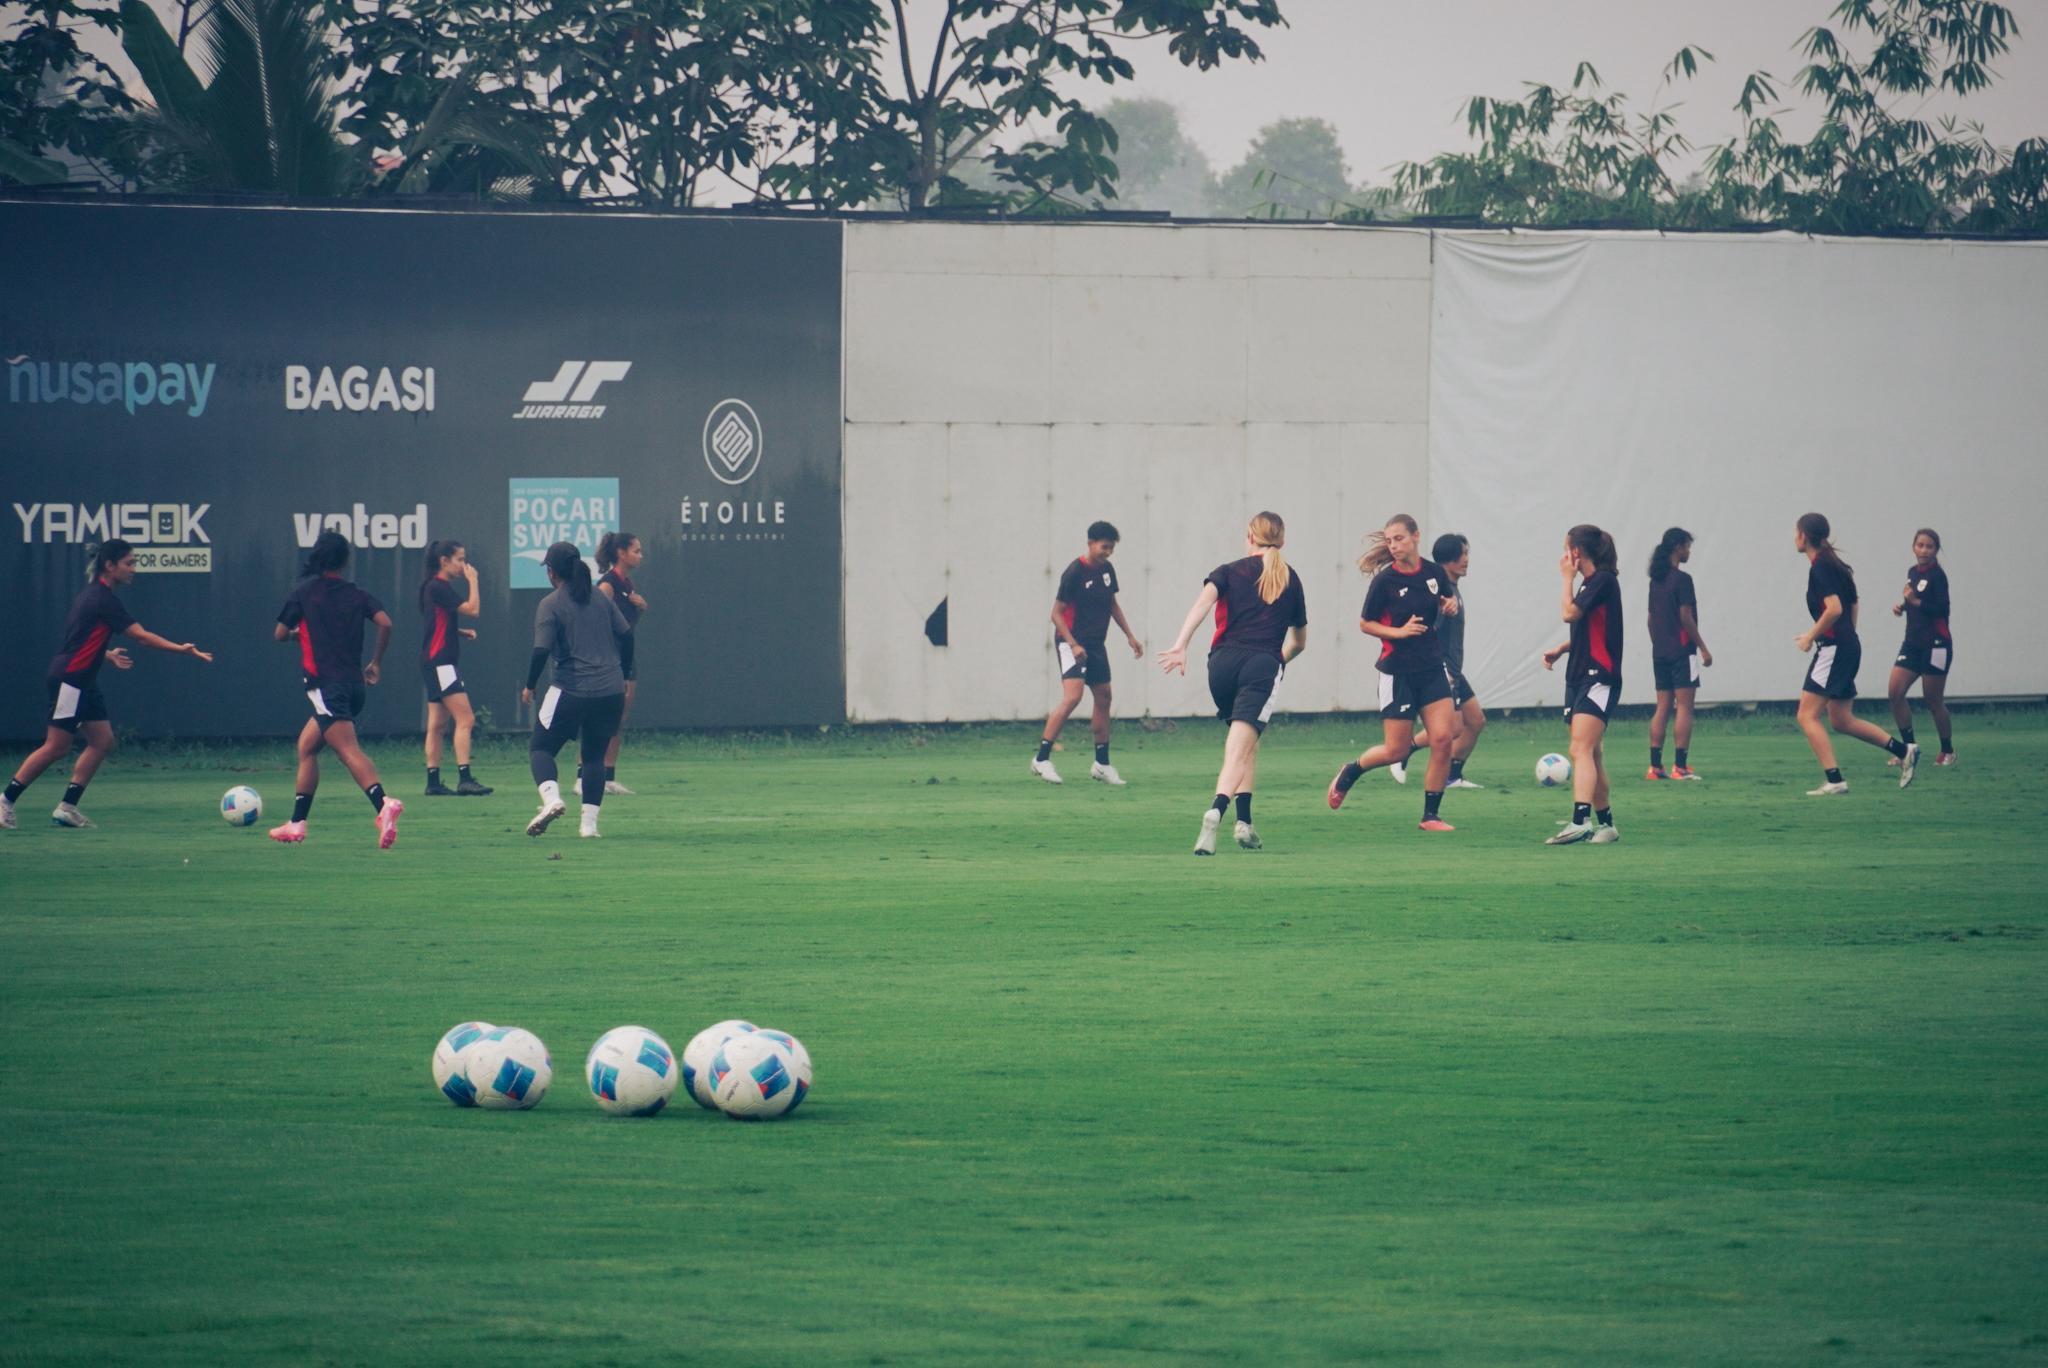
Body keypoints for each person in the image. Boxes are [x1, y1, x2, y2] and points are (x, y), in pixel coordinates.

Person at [2, 539, 213, 831]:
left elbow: (84, 638)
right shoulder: (102, 599)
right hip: (71, 679)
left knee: (102, 741)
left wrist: (106, 653)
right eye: (129, 563)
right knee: (57, 746)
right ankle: (5, 801)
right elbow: (141, 637)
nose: (133, 569)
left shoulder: (94, 596)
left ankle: (67, 808)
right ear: (109, 565)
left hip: (84, 680)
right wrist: (181, 649)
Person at [1158, 511, 1307, 855]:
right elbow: (1299, 642)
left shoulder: (1228, 570)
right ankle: (1216, 812)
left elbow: (1202, 604)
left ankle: (1245, 824)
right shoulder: (1291, 578)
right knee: (1238, 749)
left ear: (1250, 537)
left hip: (1221, 665)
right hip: (1260, 665)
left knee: (1246, 743)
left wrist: (1181, 645)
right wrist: (1276, 662)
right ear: (1281, 541)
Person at [1326, 514, 1462, 832]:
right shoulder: (1385, 581)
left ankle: (1430, 816)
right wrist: (1399, 632)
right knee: (1396, 750)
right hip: (1397, 672)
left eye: (1399, 538)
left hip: (1431, 666)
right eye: (1389, 540)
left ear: (1416, 536)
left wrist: (1450, 604)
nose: (1393, 545)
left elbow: (1446, 597)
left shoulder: (1433, 572)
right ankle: (1351, 771)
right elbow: (1365, 623)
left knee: (1444, 737)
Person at [269, 530, 401, 847]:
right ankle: (297, 823)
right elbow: (385, 622)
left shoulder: (304, 593)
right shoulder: (355, 594)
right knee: (307, 747)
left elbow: (279, 633)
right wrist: (376, 662)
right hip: (354, 685)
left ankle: (384, 804)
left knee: (347, 750)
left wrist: (297, 634)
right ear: (344, 561)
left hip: (326, 686)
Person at [1793, 512, 1918, 794]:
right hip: (1845, 646)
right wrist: (1847, 637)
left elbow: (1835, 608)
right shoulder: (1834, 564)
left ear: (1803, 535)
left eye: (1796, 532)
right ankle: (1903, 751)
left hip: (1836, 648)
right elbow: (1853, 604)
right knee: (1841, 719)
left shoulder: (1821, 567)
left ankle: (1835, 780)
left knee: (1806, 715)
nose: (1794, 538)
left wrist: (1812, 637)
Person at [523, 542, 633, 839]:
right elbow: (626, 634)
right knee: (595, 757)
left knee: (541, 748)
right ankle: (589, 827)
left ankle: (551, 800)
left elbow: (540, 650)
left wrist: (530, 684)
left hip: (570, 688)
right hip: (610, 690)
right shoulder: (600, 597)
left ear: (551, 572)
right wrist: (623, 673)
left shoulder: (551, 603)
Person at [1032, 520, 1143, 786]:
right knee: (1073, 697)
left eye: (1111, 548)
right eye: (1104, 547)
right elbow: (1055, 615)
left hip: (1095, 644)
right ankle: (1041, 759)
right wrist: (1073, 644)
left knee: (1104, 697)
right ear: (1091, 543)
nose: (1108, 553)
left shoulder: (1107, 570)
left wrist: (1130, 636)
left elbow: (1112, 604)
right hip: (1071, 642)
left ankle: (1102, 764)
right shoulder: (1074, 572)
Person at [1541, 525, 1624, 845]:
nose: (1563, 556)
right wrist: (1562, 649)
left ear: (1576, 552)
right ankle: (1606, 825)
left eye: (1566, 548)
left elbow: (1569, 614)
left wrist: (1565, 579)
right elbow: (1592, 629)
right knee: (1592, 753)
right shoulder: (1593, 584)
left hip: (1599, 677)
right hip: (1578, 676)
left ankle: (1580, 821)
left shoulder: (1602, 580)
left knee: (1580, 748)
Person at [1399, 532, 1485, 790]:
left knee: (1475, 720)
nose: (1467, 560)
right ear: (1449, 559)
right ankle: (1405, 749)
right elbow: (1426, 629)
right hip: (1442, 667)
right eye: (1463, 554)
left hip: (1454, 668)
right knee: (1454, 727)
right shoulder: (1437, 592)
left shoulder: (1452, 588)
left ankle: (1452, 776)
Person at [419, 539, 491, 797]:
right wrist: (473, 581)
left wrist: (458, 632)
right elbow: (473, 609)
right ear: (444, 561)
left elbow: (435, 623)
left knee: (437, 724)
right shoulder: (439, 586)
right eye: (460, 559)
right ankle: (465, 779)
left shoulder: (432, 587)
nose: (463, 564)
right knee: (466, 718)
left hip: (434, 661)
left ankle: (433, 782)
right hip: (441, 662)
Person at [1645, 527, 1713, 780]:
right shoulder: (1683, 580)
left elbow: (1650, 620)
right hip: (1682, 652)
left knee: (1662, 706)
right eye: (1687, 547)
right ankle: (1680, 767)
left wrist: (1659, 644)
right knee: (1685, 706)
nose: (1689, 552)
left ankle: (1655, 767)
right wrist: (1703, 648)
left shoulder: (1656, 580)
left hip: (1660, 652)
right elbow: (1686, 617)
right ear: (1677, 548)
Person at [1888, 527, 1954, 767]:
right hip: (1912, 643)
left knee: (1932, 700)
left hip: (1936, 644)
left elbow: (1942, 609)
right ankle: (1908, 749)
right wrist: (1903, 606)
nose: (1924, 550)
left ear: (1936, 550)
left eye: (1929, 546)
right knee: (1895, 693)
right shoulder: (1913, 572)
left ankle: (1947, 750)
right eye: (1920, 545)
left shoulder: (1938, 576)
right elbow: (1912, 600)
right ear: (1914, 547)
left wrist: (1916, 602)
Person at [594, 531, 647, 795]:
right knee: (601, 719)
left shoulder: (628, 585)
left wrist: (638, 610)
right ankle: (587, 777)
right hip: (609, 659)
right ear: (621, 553)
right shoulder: (608, 585)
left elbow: (625, 628)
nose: (640, 555)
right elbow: (598, 624)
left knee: (619, 719)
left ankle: (608, 777)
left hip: (626, 657)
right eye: (636, 551)